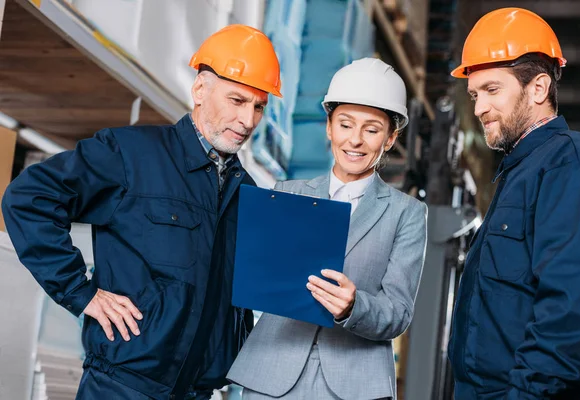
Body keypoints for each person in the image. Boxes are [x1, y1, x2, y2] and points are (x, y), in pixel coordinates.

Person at [1, 24, 281, 400]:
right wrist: (80, 292)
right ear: (200, 90)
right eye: (237, 100)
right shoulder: (131, 154)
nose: (248, 120)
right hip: (121, 387)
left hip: (198, 392)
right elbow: (28, 198)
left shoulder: (247, 190)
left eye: (258, 106)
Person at [226, 57, 428, 400]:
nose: (356, 140)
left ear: (390, 138)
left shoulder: (406, 213)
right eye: (346, 124)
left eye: (372, 129)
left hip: (353, 382)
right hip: (272, 373)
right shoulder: (286, 194)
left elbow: (398, 313)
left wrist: (353, 306)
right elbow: (254, 276)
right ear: (329, 127)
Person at [448, 7, 580, 400]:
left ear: (538, 88)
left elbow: (572, 309)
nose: (479, 107)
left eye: (492, 90)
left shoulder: (567, 161)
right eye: (475, 94)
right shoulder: (518, 172)